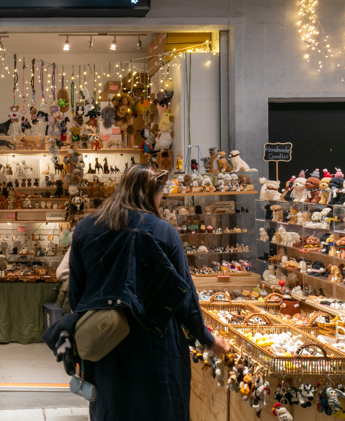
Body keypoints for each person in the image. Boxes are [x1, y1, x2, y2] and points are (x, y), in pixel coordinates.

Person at [67, 164, 230, 421]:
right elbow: (185, 298)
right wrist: (209, 340)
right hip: (156, 346)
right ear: (152, 193)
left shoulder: (86, 228)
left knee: (111, 411)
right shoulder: (163, 232)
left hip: (105, 342)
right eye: (161, 193)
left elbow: (76, 295)